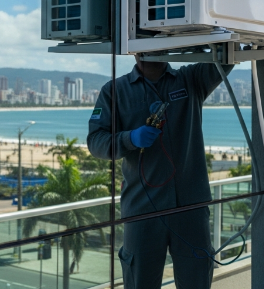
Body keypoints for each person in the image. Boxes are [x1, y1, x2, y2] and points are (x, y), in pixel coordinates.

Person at [87, 55, 232, 289]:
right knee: (139, 281)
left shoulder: (190, 79)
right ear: (134, 49)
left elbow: (226, 57)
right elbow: (96, 141)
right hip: (142, 210)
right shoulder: (115, 90)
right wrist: (130, 138)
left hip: (190, 208)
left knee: (196, 279)